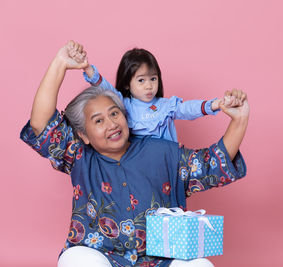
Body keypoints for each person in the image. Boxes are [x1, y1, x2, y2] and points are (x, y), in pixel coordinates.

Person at [20, 41, 249, 267]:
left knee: (200, 265)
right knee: (75, 261)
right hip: (100, 256)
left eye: (115, 114)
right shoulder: (79, 155)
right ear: (84, 135)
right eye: (99, 120)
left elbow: (212, 164)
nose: (111, 124)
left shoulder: (163, 152)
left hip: (161, 260)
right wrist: (60, 63)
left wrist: (239, 119)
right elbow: (41, 125)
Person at [72, 41, 239, 142]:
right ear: (127, 84)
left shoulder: (166, 105)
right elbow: (104, 88)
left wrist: (216, 104)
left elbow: (188, 108)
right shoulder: (124, 105)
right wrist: (87, 67)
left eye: (153, 79)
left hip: (167, 165)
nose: (149, 86)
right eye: (141, 80)